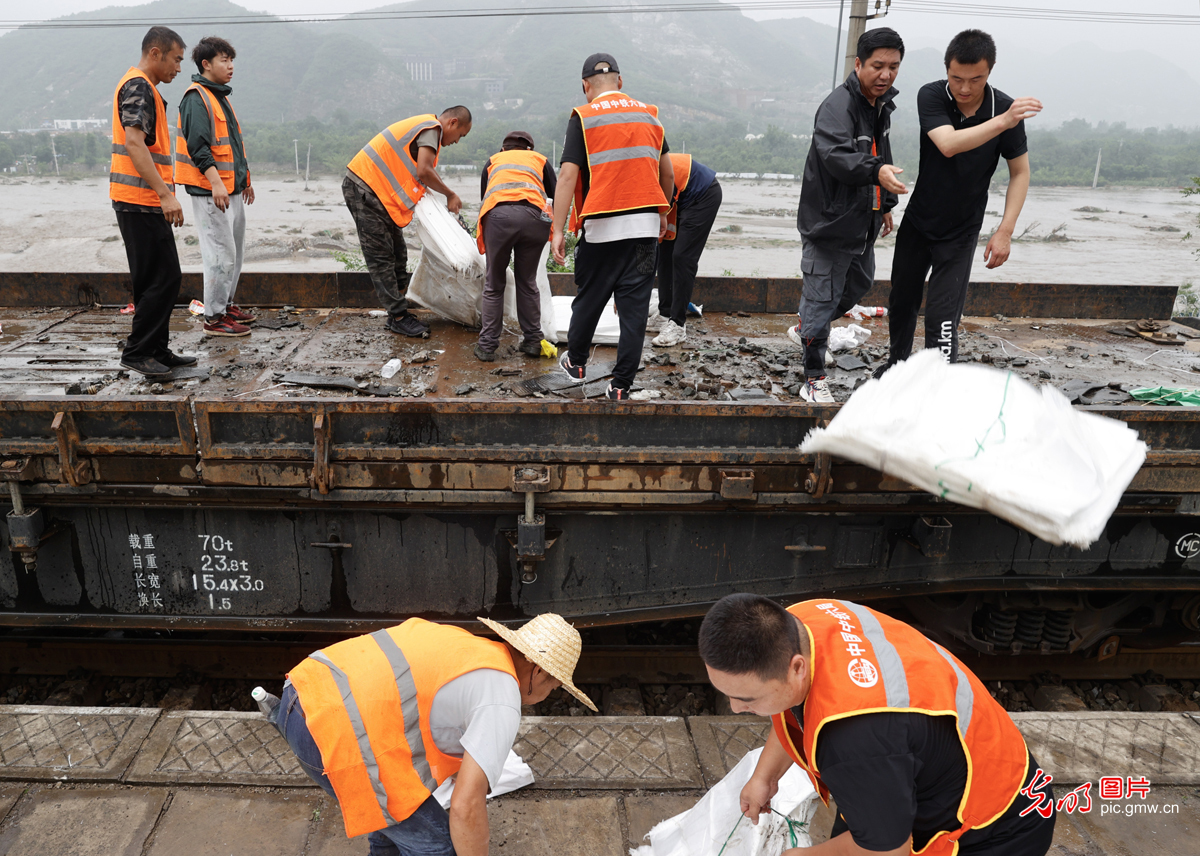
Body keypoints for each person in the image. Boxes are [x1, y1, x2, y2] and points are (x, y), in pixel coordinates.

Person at [699, 594, 1056, 856]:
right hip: (954, 759)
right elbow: (791, 705)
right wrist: (765, 777)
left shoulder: (855, 743)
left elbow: (887, 852)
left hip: (997, 828)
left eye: (748, 699)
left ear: (796, 668)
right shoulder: (800, 622)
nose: (735, 708)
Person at [279, 613, 596, 854]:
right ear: (539, 670)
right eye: (552, 687)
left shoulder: (470, 648)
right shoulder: (503, 696)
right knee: (439, 847)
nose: (546, 695)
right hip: (326, 732)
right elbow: (465, 807)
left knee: (398, 816)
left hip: (302, 692)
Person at [879, 30, 1039, 373]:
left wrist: (1005, 231)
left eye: (975, 79)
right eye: (957, 78)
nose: (964, 88)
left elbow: (1020, 173)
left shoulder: (1003, 109)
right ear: (946, 70)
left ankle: (939, 382)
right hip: (920, 221)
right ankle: (895, 370)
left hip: (961, 230)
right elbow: (948, 143)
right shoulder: (933, 95)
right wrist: (1005, 121)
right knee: (902, 300)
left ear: (990, 71)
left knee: (943, 313)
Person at [789, 28, 908, 404]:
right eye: (877, 66)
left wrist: (885, 205)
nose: (885, 75)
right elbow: (839, 157)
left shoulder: (879, 106)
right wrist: (878, 175)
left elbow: (880, 155)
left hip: (862, 221)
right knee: (822, 299)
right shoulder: (837, 107)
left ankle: (806, 325)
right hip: (829, 223)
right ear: (858, 65)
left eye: (893, 66)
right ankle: (812, 378)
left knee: (857, 286)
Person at [552, 52, 674, 401]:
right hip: (645, 231)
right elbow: (666, 174)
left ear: (585, 86)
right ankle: (620, 387)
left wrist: (558, 229)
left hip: (603, 231)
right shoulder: (649, 116)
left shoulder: (584, 117)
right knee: (634, 311)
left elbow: (568, 176)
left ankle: (576, 363)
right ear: (620, 82)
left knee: (590, 298)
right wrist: (662, 214)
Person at [344, 107, 472, 339]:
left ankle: (398, 312)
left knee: (398, 253)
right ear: (452, 123)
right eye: (461, 135)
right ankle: (399, 317)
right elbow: (423, 171)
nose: (457, 141)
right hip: (366, 188)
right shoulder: (431, 129)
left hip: (379, 194)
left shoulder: (427, 130)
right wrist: (450, 194)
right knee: (381, 256)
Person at [110, 26, 191, 378]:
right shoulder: (140, 85)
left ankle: (156, 349)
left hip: (138, 200)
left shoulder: (146, 88)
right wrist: (164, 194)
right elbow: (134, 142)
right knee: (165, 277)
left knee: (154, 279)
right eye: (175, 59)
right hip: (140, 200)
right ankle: (139, 351)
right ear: (155, 53)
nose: (177, 68)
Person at [174, 35, 256, 339]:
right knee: (219, 255)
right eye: (225, 60)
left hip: (230, 189)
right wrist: (216, 184)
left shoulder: (218, 96)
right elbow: (199, 148)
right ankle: (214, 317)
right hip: (212, 193)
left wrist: (244, 180)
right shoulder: (196, 98)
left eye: (231, 60)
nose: (231, 66)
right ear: (206, 64)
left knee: (233, 252)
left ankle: (226, 305)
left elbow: (232, 146)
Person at [474, 130, 556, 362]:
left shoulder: (494, 160)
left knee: (494, 283)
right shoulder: (539, 159)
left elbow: (486, 197)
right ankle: (532, 340)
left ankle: (487, 346)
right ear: (529, 148)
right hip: (535, 220)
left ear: (503, 149)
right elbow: (554, 196)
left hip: (499, 219)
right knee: (527, 282)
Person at [651, 153, 721, 348]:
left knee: (682, 257)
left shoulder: (646, 168)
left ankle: (677, 325)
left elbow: (667, 184)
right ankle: (664, 314)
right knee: (664, 251)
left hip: (703, 195)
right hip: (679, 199)